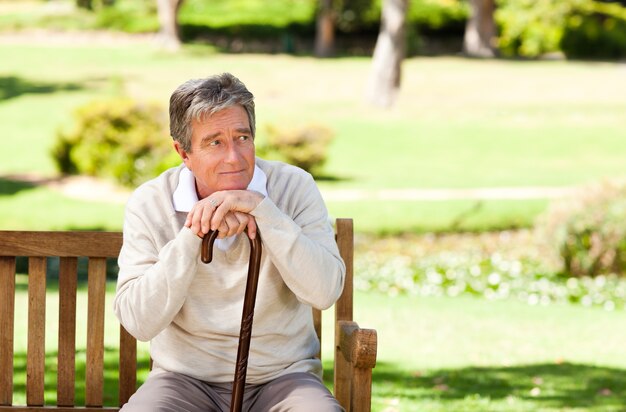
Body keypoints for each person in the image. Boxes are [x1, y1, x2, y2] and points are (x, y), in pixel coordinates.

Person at [113, 72, 346, 412]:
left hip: (283, 378)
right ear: (183, 152)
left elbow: (324, 291)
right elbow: (138, 320)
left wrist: (265, 212)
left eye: (242, 137)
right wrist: (194, 232)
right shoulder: (151, 202)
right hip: (183, 380)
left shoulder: (295, 187)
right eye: (214, 142)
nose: (234, 158)